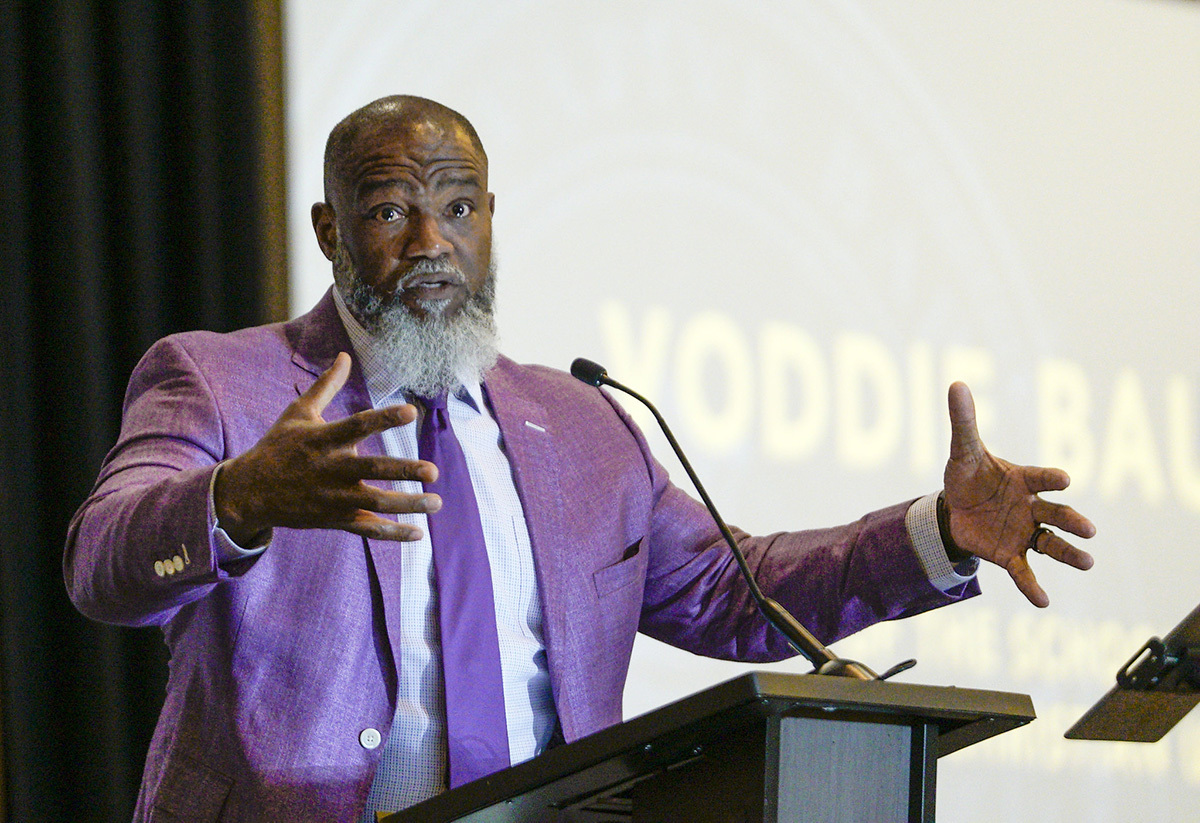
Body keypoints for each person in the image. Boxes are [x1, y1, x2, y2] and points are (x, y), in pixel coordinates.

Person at [64, 95, 1095, 822]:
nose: (430, 241)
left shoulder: (586, 424)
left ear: (491, 220)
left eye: (459, 207)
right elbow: (101, 562)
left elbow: (738, 591)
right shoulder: (222, 382)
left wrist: (937, 535)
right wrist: (238, 498)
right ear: (330, 230)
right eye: (388, 210)